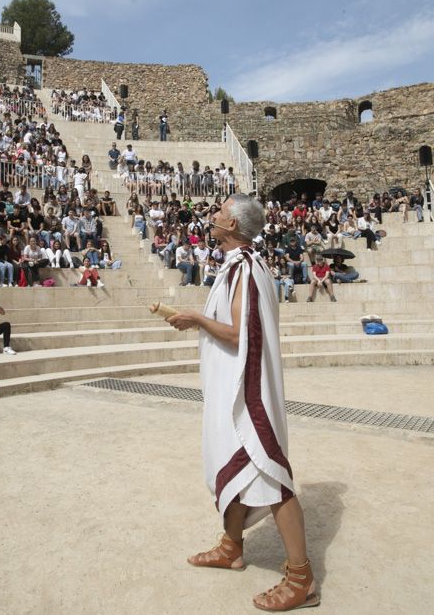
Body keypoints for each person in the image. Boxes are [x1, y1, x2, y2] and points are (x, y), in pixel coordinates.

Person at [166, 194, 317, 610]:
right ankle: (232, 546)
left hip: (247, 392)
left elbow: (238, 335)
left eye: (218, 214)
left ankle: (302, 579)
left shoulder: (247, 268)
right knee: (234, 463)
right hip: (230, 388)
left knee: (270, 472)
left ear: (231, 225)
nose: (211, 218)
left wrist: (195, 317)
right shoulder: (237, 266)